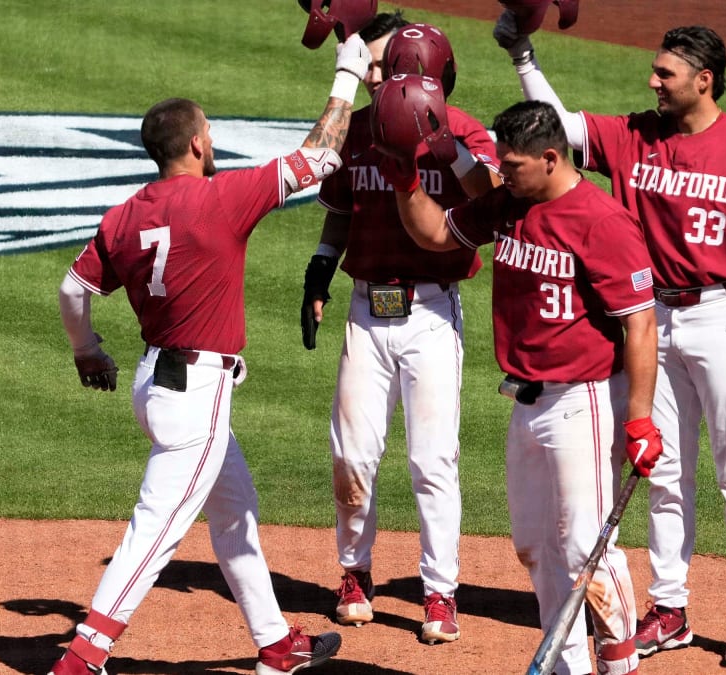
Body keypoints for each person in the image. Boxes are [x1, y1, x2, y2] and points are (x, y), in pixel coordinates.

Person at [48, 35, 372, 675]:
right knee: (156, 528)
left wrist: (87, 351)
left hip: (156, 382)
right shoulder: (223, 198)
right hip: (195, 394)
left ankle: (276, 644)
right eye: (210, 134)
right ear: (196, 144)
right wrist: (348, 72)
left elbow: (72, 287)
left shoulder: (123, 215)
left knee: (235, 515)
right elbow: (322, 156)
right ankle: (85, 655)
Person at [494, 16, 726, 668]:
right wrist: (522, 53)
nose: (653, 80)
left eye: (666, 73)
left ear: (704, 79)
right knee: (660, 469)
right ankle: (670, 606)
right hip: (654, 317)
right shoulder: (635, 135)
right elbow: (560, 127)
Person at [385, 98, 663, 675]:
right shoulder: (509, 204)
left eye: (511, 165)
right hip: (526, 400)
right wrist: (405, 181)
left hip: (583, 400)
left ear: (551, 158)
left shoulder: (602, 221)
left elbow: (640, 322)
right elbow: (436, 233)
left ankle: (620, 659)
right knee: (535, 547)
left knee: (588, 546)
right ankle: (568, 666)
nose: (500, 174)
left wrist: (639, 419)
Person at [297, 11, 499, 644]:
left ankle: (440, 593)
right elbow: (336, 207)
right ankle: (355, 575)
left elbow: (493, 195)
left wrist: (446, 147)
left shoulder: (467, 134)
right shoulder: (358, 133)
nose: (379, 76)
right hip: (366, 307)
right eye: (378, 68)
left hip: (433, 313)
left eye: (388, 68)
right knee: (352, 454)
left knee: (432, 460)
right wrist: (320, 271)